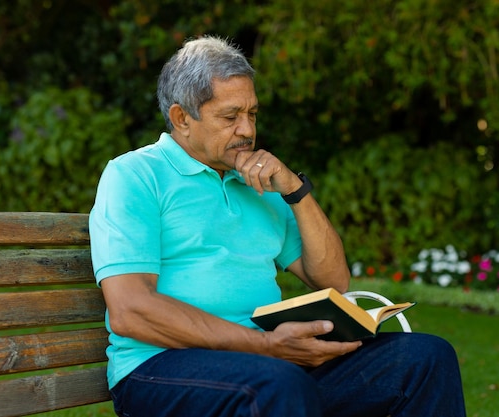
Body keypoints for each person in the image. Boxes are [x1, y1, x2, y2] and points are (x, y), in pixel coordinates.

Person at [89, 35, 466, 417]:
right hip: (162, 366)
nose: (247, 130)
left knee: (425, 358)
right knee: (276, 385)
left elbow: (333, 282)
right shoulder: (135, 175)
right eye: (230, 116)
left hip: (269, 361)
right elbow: (131, 310)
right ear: (181, 118)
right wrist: (266, 347)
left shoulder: (259, 184)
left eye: (252, 114)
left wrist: (295, 191)